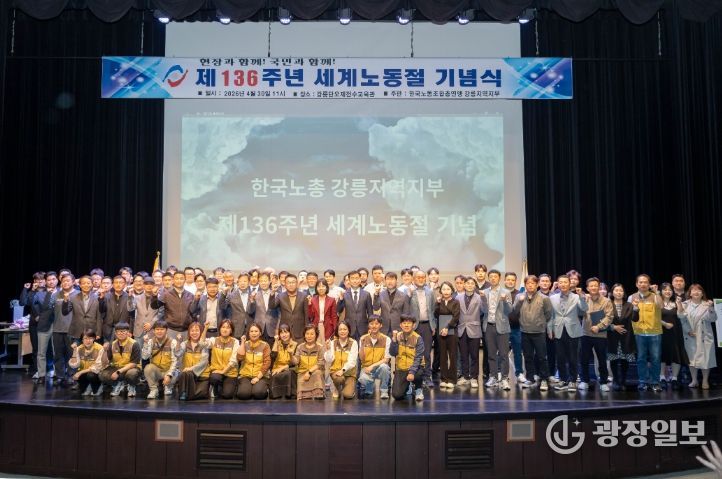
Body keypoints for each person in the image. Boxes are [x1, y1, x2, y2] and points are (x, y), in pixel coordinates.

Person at [549, 275, 588, 392]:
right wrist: (549, 330)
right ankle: (563, 379)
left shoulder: (576, 296)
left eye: (565, 282)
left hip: (573, 330)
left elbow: (584, 310)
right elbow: (551, 316)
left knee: (573, 358)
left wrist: (582, 298)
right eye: (560, 282)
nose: (563, 284)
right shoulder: (552, 297)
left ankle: (573, 380)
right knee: (560, 357)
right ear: (558, 284)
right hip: (558, 330)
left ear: (570, 283)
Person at [513, 275, 552, 390]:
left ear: (537, 284)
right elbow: (514, 312)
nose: (530, 285)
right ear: (525, 285)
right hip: (524, 331)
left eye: (533, 283)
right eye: (528, 283)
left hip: (539, 332)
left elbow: (548, 314)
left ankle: (544, 379)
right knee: (528, 357)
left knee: (542, 357)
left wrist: (540, 323)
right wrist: (520, 302)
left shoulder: (544, 298)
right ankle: (530, 378)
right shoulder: (519, 296)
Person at [628, 274, 664, 392]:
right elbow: (629, 315)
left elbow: (661, 306)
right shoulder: (632, 297)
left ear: (649, 284)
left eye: (645, 282)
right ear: (636, 284)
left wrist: (657, 293)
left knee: (655, 359)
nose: (643, 284)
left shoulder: (655, 296)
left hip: (655, 333)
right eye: (641, 282)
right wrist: (634, 307)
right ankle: (642, 382)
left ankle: (655, 382)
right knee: (641, 359)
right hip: (639, 333)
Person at [677, 284, 717, 389]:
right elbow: (681, 318)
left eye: (699, 290)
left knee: (706, 359)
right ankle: (694, 380)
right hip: (690, 336)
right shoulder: (684, 304)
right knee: (692, 359)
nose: (696, 292)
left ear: (702, 293)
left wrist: (711, 308)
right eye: (693, 290)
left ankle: (705, 380)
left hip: (704, 336)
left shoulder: (707, 304)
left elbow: (713, 318)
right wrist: (688, 331)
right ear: (690, 293)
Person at [579, 277, 613, 392]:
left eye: (595, 285)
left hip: (600, 335)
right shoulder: (584, 299)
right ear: (587, 288)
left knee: (602, 360)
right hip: (585, 334)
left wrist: (599, 326)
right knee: (584, 359)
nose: (593, 287)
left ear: (599, 287)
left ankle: (603, 382)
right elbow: (580, 313)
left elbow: (609, 317)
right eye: (591, 286)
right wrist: (582, 300)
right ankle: (584, 380)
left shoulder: (606, 301)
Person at [481, 270, 513, 390]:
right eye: (491, 277)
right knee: (491, 354)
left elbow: (509, 311)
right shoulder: (484, 292)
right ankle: (493, 377)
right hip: (489, 326)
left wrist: (504, 301)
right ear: (488, 278)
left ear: (499, 278)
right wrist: (483, 300)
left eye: (495, 276)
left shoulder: (506, 292)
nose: (493, 278)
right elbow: (483, 310)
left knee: (504, 354)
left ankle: (504, 378)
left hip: (502, 326)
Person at [607, 284, 637, 391]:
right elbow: (604, 319)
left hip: (626, 336)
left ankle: (623, 380)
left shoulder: (629, 305)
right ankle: (615, 380)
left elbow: (635, 319)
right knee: (613, 358)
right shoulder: (608, 304)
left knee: (625, 359)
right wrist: (614, 327)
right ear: (612, 292)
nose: (619, 292)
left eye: (621, 291)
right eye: (616, 290)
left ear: (624, 293)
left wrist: (636, 309)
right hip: (612, 336)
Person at [408, 270, 435, 387]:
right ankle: (414, 377)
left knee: (427, 353)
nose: (421, 279)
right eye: (418, 277)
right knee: (413, 353)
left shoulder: (430, 292)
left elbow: (433, 309)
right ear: (414, 279)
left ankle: (427, 377)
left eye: (423, 277)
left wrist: (433, 326)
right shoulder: (410, 292)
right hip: (414, 327)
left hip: (427, 326)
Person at [456, 276, 484, 388]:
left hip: (474, 329)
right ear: (464, 285)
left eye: (472, 283)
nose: (469, 285)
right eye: (467, 283)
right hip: (461, 329)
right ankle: (465, 376)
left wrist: (484, 299)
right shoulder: (458, 297)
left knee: (474, 356)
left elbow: (483, 311)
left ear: (475, 285)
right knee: (463, 355)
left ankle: (474, 377)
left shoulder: (479, 297)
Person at [100, 322, 142, 397]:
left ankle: (132, 385)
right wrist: (105, 351)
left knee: (131, 374)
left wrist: (118, 372)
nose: (121, 333)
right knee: (102, 375)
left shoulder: (134, 344)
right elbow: (104, 362)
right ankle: (118, 384)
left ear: (128, 332)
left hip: (131, 368)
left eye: (123, 331)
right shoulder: (112, 344)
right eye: (118, 332)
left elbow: (134, 363)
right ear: (115, 333)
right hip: (117, 367)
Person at [31, 271, 59, 381]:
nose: (51, 282)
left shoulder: (62, 292)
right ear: (45, 282)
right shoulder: (39, 294)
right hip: (44, 325)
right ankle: (41, 375)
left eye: (53, 279)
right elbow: (34, 306)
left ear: (57, 280)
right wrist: (38, 316)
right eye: (49, 280)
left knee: (57, 351)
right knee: (41, 352)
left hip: (58, 325)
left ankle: (57, 374)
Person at [390, 314, 425, 401]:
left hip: (415, 367)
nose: (406, 325)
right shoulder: (397, 336)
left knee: (418, 375)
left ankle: (418, 389)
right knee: (397, 395)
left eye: (409, 323)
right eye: (404, 323)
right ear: (400, 325)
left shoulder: (418, 338)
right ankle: (407, 386)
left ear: (413, 325)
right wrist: (394, 340)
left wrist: (412, 372)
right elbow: (392, 353)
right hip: (401, 368)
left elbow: (418, 358)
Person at [659, 283, 687, 389]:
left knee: (676, 355)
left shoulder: (676, 303)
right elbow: (653, 317)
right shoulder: (657, 302)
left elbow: (681, 315)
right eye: (665, 290)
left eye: (670, 290)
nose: (668, 292)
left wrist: (679, 304)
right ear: (661, 291)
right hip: (661, 332)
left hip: (675, 333)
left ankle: (674, 378)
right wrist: (664, 324)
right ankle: (662, 377)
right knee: (662, 355)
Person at [141, 320, 178, 399]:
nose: (159, 331)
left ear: (166, 330)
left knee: (176, 373)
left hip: (168, 370)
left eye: (162, 329)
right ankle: (154, 389)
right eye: (157, 329)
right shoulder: (150, 341)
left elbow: (175, 361)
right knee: (148, 368)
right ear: (153, 331)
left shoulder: (173, 342)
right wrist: (145, 344)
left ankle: (168, 386)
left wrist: (169, 375)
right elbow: (144, 357)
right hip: (157, 371)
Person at [151, 271, 194, 339]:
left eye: (181, 278)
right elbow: (154, 306)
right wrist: (154, 296)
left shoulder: (190, 295)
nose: (179, 281)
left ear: (185, 280)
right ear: (173, 280)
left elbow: (193, 312)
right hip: (171, 330)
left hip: (186, 330)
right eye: (177, 278)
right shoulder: (166, 295)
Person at [175, 321, 211, 400]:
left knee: (201, 394)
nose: (194, 333)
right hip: (188, 376)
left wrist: (191, 368)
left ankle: (187, 392)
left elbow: (204, 362)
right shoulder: (185, 344)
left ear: (201, 332)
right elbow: (177, 354)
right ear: (189, 332)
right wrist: (178, 342)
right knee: (186, 374)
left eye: (197, 330)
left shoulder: (204, 344)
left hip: (202, 376)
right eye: (192, 331)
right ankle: (184, 392)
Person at [357, 315, 392, 399]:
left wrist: (372, 366)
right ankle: (370, 385)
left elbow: (386, 360)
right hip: (366, 368)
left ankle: (384, 390)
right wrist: (362, 345)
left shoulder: (386, 339)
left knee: (385, 367)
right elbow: (362, 359)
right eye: (371, 324)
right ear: (368, 325)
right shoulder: (363, 338)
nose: (374, 326)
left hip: (379, 368)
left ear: (381, 325)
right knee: (363, 380)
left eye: (376, 324)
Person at [205, 319, 240, 399]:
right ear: (220, 329)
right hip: (217, 371)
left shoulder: (235, 342)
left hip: (230, 373)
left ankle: (224, 386)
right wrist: (205, 329)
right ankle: (215, 386)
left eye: (228, 327)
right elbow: (202, 343)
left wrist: (223, 371)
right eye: (223, 327)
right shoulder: (214, 340)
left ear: (231, 330)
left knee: (227, 395)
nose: (225, 329)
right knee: (214, 378)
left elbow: (234, 360)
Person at [434, 282, 460, 389]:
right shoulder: (438, 302)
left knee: (453, 355)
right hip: (440, 330)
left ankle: (452, 379)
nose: (446, 291)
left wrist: (447, 327)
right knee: (442, 355)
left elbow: (456, 317)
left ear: (452, 290)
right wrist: (437, 304)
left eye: (448, 289)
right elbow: (436, 314)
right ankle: (444, 378)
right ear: (441, 291)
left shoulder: (456, 302)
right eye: (444, 289)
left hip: (452, 330)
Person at [236, 323, 271, 400]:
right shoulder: (245, 344)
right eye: (251, 331)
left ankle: (263, 388)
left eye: (256, 331)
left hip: (261, 376)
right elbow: (239, 358)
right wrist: (242, 342)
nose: (254, 333)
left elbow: (267, 363)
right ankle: (248, 389)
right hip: (246, 375)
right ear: (248, 333)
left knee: (259, 393)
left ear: (260, 333)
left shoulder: (265, 345)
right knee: (243, 394)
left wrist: (258, 377)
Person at [324, 321, 358, 400]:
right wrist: (328, 349)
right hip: (336, 372)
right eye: (340, 329)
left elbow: (352, 361)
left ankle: (348, 388)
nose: (342, 331)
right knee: (338, 379)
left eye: (345, 329)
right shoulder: (333, 343)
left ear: (348, 330)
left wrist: (343, 370)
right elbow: (329, 360)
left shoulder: (353, 343)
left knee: (348, 395)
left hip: (349, 373)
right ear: (337, 331)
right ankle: (337, 389)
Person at [337, 270, 373, 341]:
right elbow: (339, 310)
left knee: (363, 347)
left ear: (360, 280)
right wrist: (341, 300)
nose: (355, 280)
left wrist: (370, 327)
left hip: (363, 328)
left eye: (357, 278)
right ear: (349, 280)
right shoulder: (344, 294)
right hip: (349, 328)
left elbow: (370, 313)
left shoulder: (366, 294)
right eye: (352, 278)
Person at [52, 273, 76, 383]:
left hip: (71, 330)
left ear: (73, 282)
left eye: (68, 280)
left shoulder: (78, 294)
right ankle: (59, 375)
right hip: (57, 329)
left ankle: (71, 375)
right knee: (58, 354)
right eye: (63, 281)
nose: (65, 283)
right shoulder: (56, 294)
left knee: (72, 354)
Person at [69, 329, 107, 396]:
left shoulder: (100, 348)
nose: (88, 341)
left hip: (96, 373)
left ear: (94, 339)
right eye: (85, 338)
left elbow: (97, 367)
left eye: (90, 338)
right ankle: (88, 386)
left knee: (91, 375)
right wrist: (74, 351)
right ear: (82, 340)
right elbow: (74, 365)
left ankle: (99, 386)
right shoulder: (79, 348)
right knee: (77, 375)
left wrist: (80, 372)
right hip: (85, 372)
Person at [373, 272, 411, 337]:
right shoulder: (380, 294)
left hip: (398, 329)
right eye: (388, 279)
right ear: (385, 281)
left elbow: (406, 314)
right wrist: (376, 294)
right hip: (384, 328)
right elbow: (376, 308)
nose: (390, 281)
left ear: (396, 281)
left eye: (392, 279)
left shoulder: (404, 296)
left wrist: (404, 329)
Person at [99, 275, 136, 343]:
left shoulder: (129, 297)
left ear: (125, 284)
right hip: (108, 330)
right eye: (116, 282)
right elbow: (101, 312)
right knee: (108, 348)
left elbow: (132, 315)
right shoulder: (106, 297)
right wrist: (101, 299)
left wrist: (130, 330)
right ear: (113, 285)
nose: (118, 284)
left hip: (124, 330)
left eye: (121, 282)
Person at [293, 325, 326, 400]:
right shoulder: (300, 347)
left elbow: (320, 363)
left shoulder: (320, 347)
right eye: (307, 334)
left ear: (316, 335)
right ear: (304, 335)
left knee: (317, 373)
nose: (309, 336)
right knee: (303, 398)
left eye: (312, 334)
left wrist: (309, 372)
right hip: (302, 374)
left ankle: (318, 394)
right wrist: (290, 355)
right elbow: (296, 361)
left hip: (314, 373)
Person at [504, 272, 525, 384]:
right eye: (508, 279)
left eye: (512, 280)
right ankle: (502, 375)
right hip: (503, 328)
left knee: (517, 352)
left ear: (515, 281)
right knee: (502, 353)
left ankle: (519, 373)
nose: (510, 281)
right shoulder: (500, 293)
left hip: (517, 328)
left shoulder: (521, 294)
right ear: (504, 281)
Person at [277, 274, 310, 342]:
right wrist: (272, 293)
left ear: (297, 283)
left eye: (293, 282)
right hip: (285, 332)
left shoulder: (304, 295)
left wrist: (307, 331)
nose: (291, 284)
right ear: (285, 284)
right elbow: (272, 306)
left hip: (300, 331)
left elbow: (306, 314)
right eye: (288, 282)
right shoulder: (280, 296)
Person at [269, 324, 298, 399]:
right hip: (276, 369)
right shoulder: (276, 343)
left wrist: (282, 368)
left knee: (289, 373)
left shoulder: (295, 344)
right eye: (281, 333)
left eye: (286, 332)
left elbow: (294, 363)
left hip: (289, 369)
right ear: (279, 335)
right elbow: (273, 357)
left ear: (290, 333)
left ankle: (289, 393)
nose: (284, 335)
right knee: (275, 375)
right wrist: (276, 341)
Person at [226, 272, 257, 339]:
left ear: (249, 282)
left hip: (250, 328)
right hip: (236, 328)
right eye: (240, 281)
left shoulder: (254, 294)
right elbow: (222, 306)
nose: (242, 283)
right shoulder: (231, 295)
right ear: (237, 283)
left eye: (245, 281)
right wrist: (223, 293)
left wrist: (252, 301)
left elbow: (252, 311)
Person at [253, 272, 280, 345]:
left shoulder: (276, 294)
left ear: (270, 281)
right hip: (258, 329)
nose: (263, 283)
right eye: (261, 281)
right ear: (259, 282)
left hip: (272, 328)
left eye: (265, 281)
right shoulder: (255, 295)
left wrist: (277, 328)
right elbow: (251, 312)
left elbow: (280, 314)